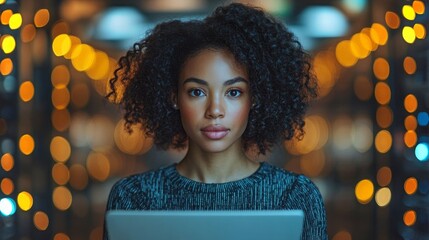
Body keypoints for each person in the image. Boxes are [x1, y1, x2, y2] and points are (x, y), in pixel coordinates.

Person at [104, 3, 327, 240]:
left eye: (233, 92)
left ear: (256, 98)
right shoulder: (135, 198)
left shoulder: (295, 196)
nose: (215, 111)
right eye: (197, 92)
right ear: (174, 98)